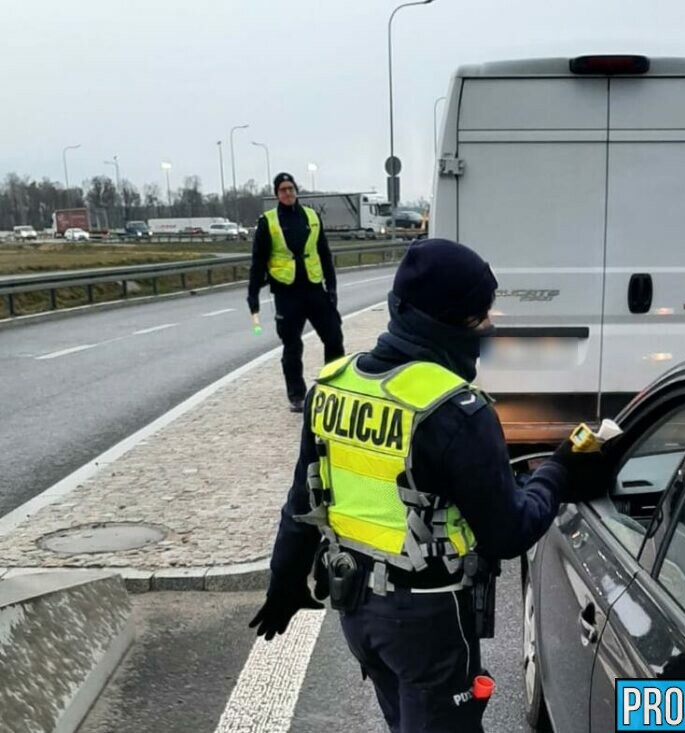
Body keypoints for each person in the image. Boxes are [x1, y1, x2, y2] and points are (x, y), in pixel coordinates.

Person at [249, 239, 612, 732]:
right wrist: (560, 469)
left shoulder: (332, 387)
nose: (489, 327)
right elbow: (508, 532)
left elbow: (302, 504)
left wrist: (284, 583)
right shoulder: (456, 410)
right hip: (428, 623)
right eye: (480, 317)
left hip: (357, 611)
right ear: (449, 325)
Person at [247, 172, 344, 412]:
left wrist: (331, 287)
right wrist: (253, 293)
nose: (288, 193)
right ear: (276, 194)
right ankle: (297, 396)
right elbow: (258, 260)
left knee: (334, 337)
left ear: (296, 191)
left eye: (291, 188)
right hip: (286, 293)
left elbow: (324, 253)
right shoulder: (268, 221)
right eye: (283, 190)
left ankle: (334, 389)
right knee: (292, 346)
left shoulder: (311, 217)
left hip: (314, 288)